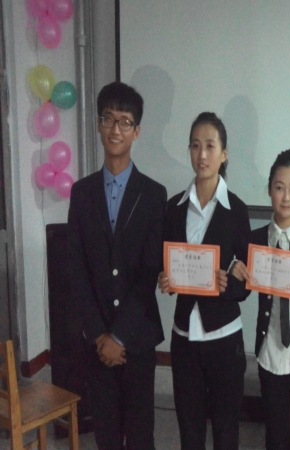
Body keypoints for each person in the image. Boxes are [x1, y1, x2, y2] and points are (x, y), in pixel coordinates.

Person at [68, 81, 166, 450]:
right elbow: (77, 269)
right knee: (106, 438)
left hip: (137, 339)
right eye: (108, 119)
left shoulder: (153, 194)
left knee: (140, 437)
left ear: (136, 131)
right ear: (98, 124)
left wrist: (119, 337)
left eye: (125, 122)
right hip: (96, 343)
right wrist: (100, 336)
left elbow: (148, 273)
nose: (115, 129)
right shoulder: (81, 193)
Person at [158, 112, 250, 450]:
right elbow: (166, 263)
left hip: (224, 338)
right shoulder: (174, 208)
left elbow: (247, 279)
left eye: (210, 146)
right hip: (184, 337)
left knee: (226, 432)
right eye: (195, 146)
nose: (202, 155)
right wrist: (164, 278)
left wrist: (230, 285)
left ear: (224, 154)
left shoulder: (237, 209)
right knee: (189, 430)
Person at [231, 149, 290, 450]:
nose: (286, 197)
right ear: (269, 190)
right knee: (274, 437)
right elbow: (241, 293)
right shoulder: (256, 240)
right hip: (271, 352)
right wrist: (235, 272)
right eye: (279, 188)